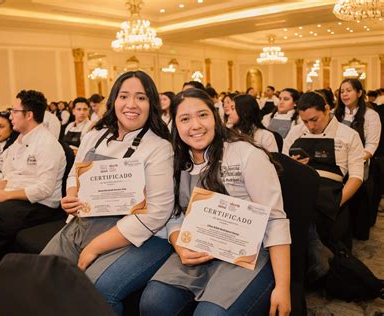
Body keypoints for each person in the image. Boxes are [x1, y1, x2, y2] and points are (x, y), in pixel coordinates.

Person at [140, 88, 291, 316]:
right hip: (198, 250)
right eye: (185, 119)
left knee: (210, 314)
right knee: (153, 302)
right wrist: (178, 243)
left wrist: (283, 287)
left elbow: (275, 220)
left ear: (215, 117)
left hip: (249, 255)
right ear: (176, 125)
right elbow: (175, 214)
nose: (196, 125)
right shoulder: (178, 160)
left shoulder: (246, 154)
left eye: (202, 115)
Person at [41, 71, 174, 315]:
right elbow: (74, 174)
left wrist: (96, 247)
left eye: (141, 98)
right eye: (124, 96)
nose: (131, 104)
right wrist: (71, 195)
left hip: (131, 233)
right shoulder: (94, 135)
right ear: (113, 101)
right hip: (83, 224)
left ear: (152, 104)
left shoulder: (159, 147)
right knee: (42, 277)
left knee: (92, 292)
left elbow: (156, 213)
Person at [0, 89, 66, 267]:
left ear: (28, 115)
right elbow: (11, 172)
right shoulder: (20, 140)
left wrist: (6, 195)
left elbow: (44, 189)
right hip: (17, 197)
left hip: (40, 205)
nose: (11, 115)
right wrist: (1, 187)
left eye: (14, 111)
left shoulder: (47, 143)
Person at [283, 91, 364, 249]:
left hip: (331, 195)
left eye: (314, 119)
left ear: (327, 109)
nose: (311, 127)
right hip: (299, 192)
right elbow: (281, 165)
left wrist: (337, 202)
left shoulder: (349, 135)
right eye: (305, 121)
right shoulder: (296, 132)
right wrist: (292, 165)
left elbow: (356, 177)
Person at [334, 79, 381, 240]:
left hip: (359, 165)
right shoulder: (336, 114)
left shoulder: (370, 115)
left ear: (359, 93)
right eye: (342, 91)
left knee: (357, 205)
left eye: (349, 90)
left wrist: (354, 161)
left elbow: (371, 145)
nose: (344, 94)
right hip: (337, 164)